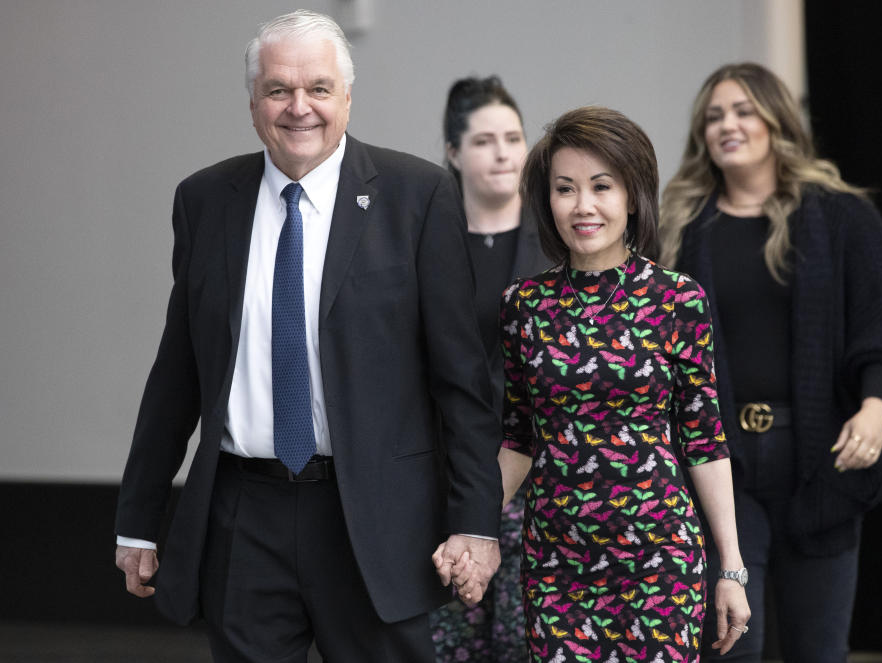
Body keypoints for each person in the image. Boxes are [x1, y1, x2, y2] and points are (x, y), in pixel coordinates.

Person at [113, 10, 504, 662]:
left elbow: (462, 383)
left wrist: (474, 522)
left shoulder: (419, 197)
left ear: (347, 97)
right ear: (253, 102)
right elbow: (178, 373)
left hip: (377, 520)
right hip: (244, 514)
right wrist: (138, 517)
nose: (300, 107)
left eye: (318, 88)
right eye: (278, 90)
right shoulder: (205, 200)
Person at [658, 62, 882, 662]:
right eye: (713, 116)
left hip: (822, 463)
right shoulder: (680, 225)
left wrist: (876, 408)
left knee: (818, 650)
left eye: (743, 110)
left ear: (776, 119)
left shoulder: (842, 216)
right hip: (721, 469)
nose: (727, 124)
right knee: (734, 648)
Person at [491, 106, 750, 662]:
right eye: (565, 189)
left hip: (660, 561)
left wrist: (730, 566)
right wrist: (474, 530)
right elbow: (518, 437)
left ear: (632, 196)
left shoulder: (677, 299)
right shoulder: (524, 306)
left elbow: (705, 440)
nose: (583, 206)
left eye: (601, 187)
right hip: (557, 565)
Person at [430, 75, 547, 663]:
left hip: (541, 474)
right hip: (449, 471)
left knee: (525, 641)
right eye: (484, 141)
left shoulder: (559, 241)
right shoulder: (426, 238)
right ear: (453, 152)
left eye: (513, 137)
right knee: (452, 640)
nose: (503, 152)